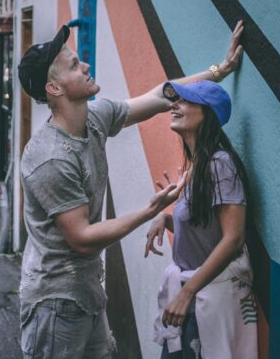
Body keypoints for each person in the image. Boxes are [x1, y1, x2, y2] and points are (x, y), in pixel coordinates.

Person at [17, 20, 244, 359]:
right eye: (74, 65)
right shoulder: (49, 157)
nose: (86, 65)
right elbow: (80, 237)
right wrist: (150, 211)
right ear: (55, 88)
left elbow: (160, 94)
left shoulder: (95, 119)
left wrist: (219, 70)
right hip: (55, 302)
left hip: (87, 292)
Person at [145, 81, 257, 358]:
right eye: (175, 101)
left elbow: (233, 238)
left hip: (201, 301)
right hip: (190, 302)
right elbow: (204, 226)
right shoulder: (198, 166)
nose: (174, 105)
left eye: (185, 101)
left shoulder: (220, 164)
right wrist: (165, 218)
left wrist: (186, 293)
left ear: (207, 114)